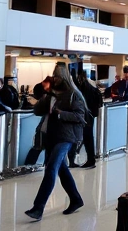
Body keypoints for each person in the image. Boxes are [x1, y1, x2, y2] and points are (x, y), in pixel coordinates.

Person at [25, 65, 86, 220]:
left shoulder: (74, 95)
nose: (55, 79)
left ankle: (38, 208)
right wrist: (45, 97)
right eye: (54, 76)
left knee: (51, 168)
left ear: (64, 77)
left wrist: (61, 114)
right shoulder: (52, 94)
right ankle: (76, 199)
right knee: (61, 169)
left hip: (67, 137)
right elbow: (37, 111)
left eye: (57, 76)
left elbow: (80, 117)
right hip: (52, 136)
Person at [72, 70, 102, 168]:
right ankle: (90, 159)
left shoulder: (83, 87)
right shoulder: (91, 85)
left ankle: (90, 160)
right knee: (88, 137)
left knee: (87, 137)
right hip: (91, 115)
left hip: (86, 115)